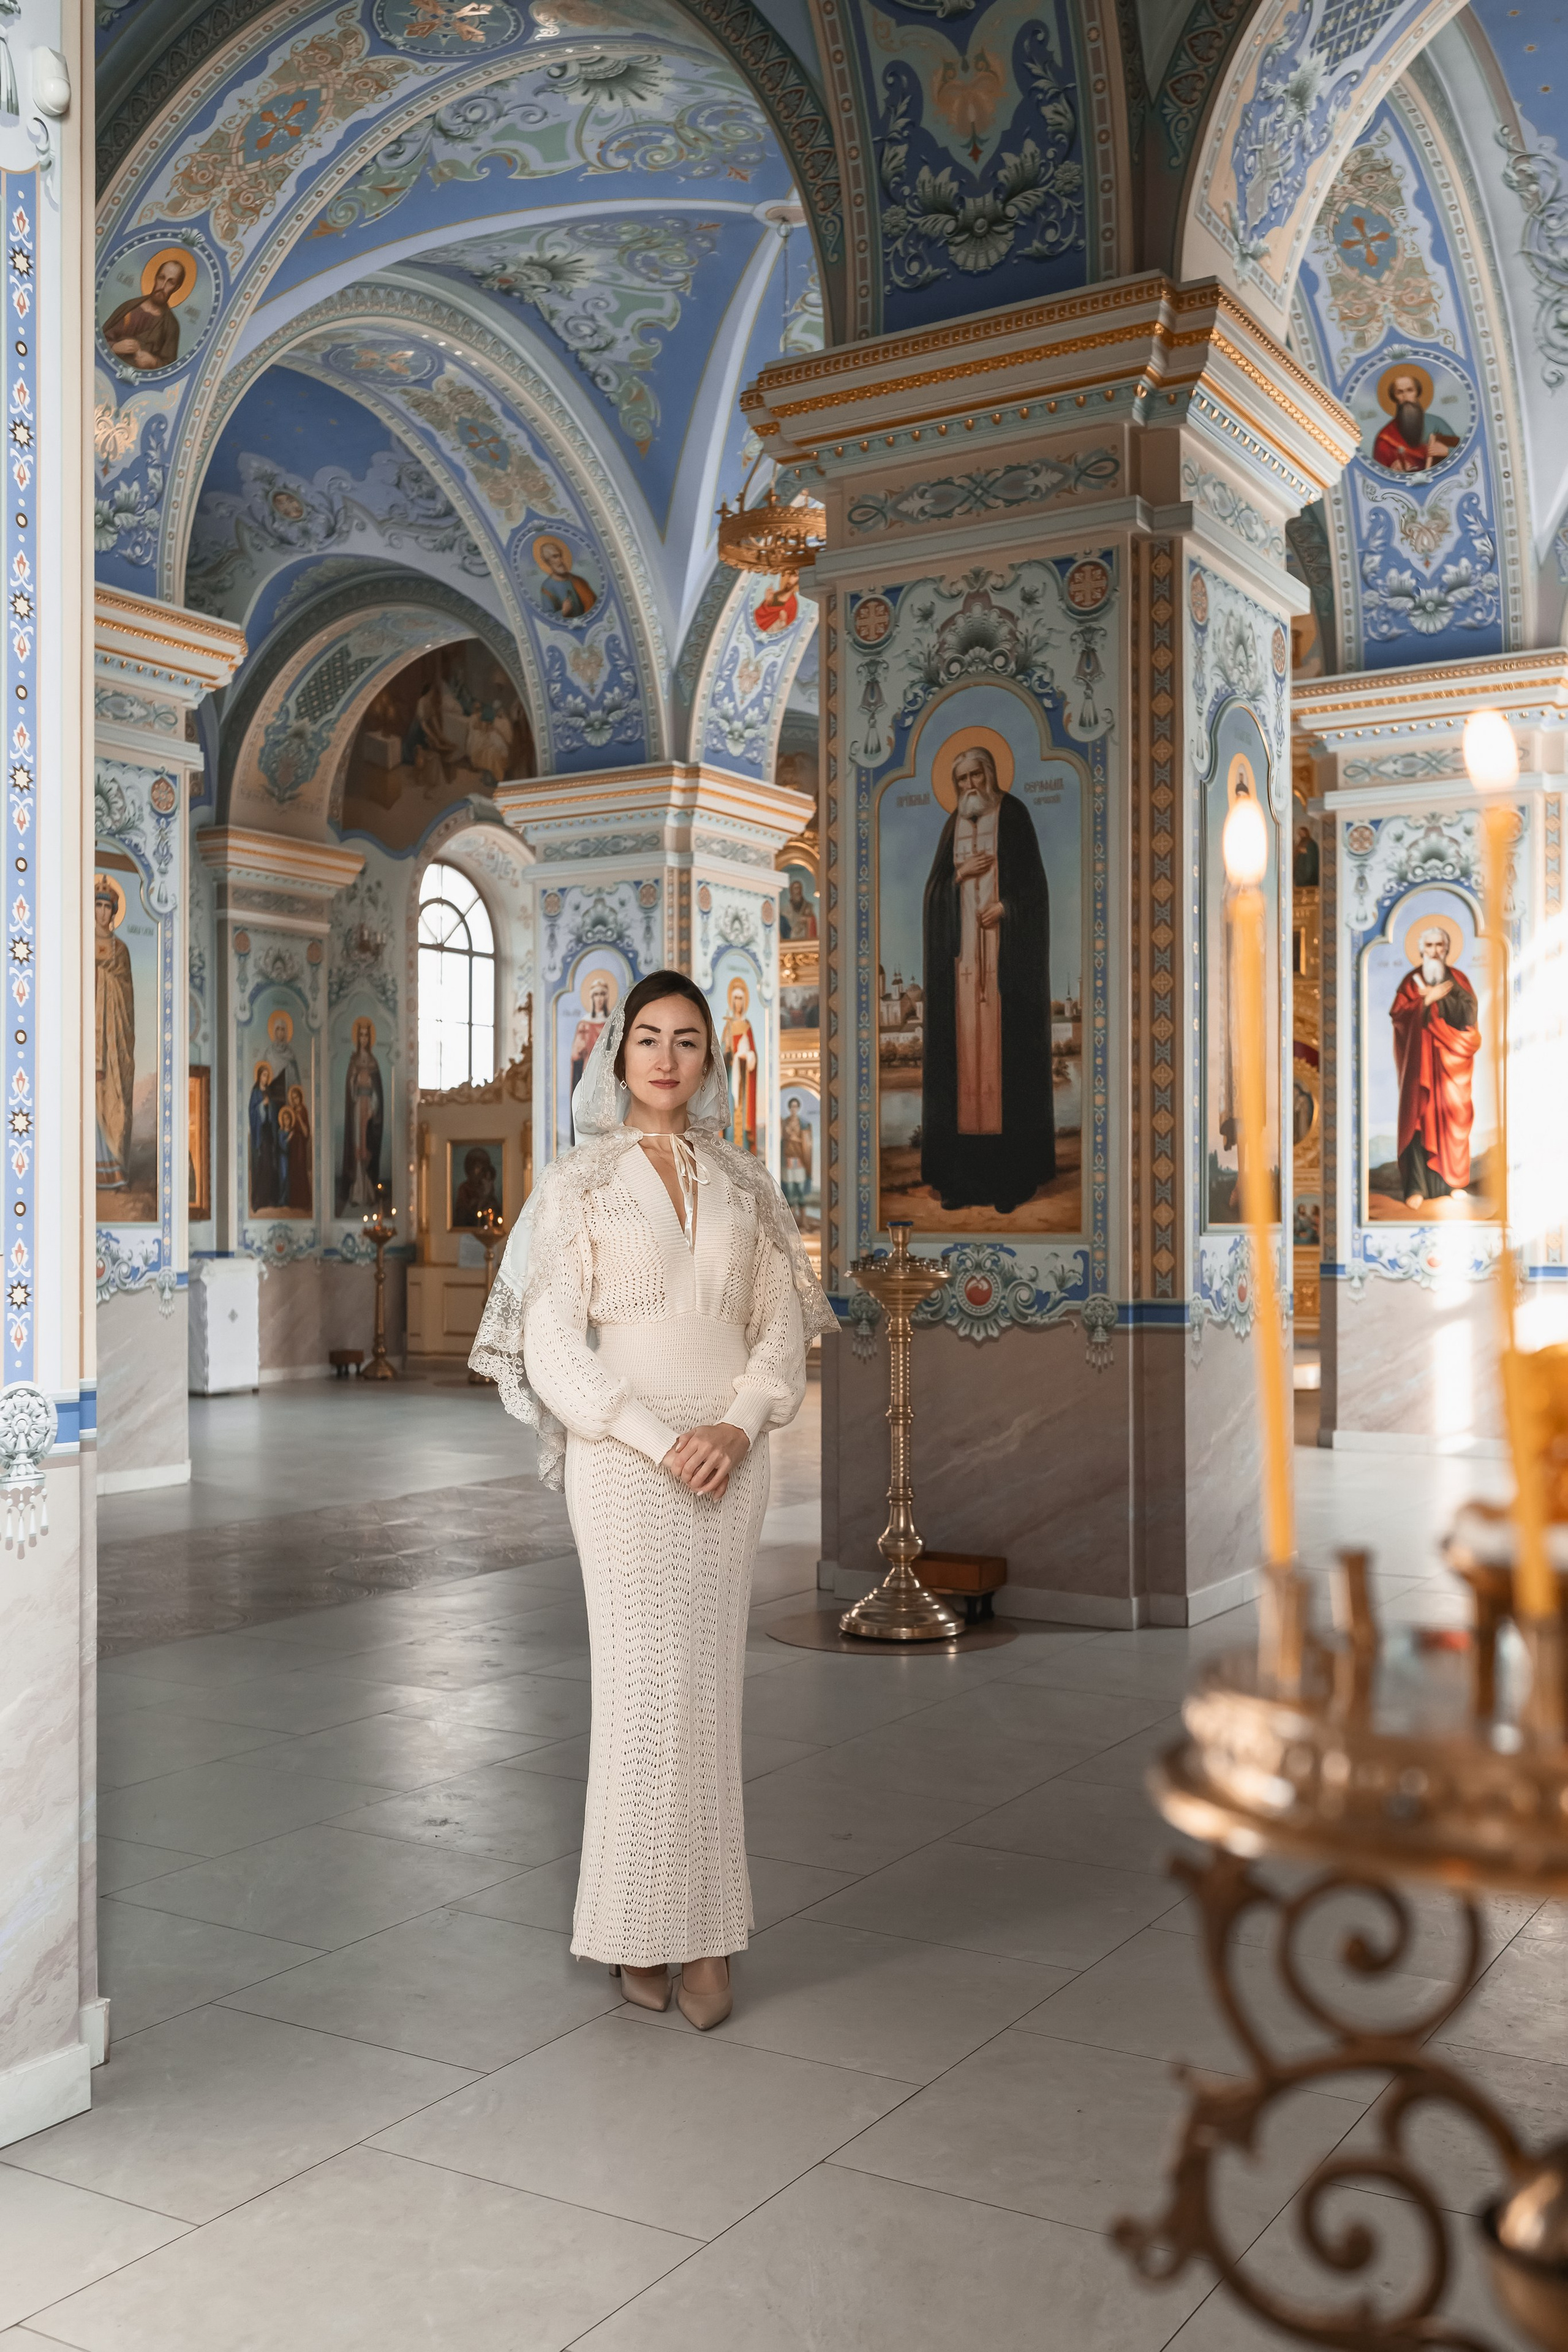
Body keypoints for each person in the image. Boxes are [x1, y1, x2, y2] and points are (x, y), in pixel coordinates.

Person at [470, 972, 835, 2028]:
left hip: (730, 1456)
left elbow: (779, 1328)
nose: (665, 1058)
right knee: (639, 1696)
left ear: (709, 1061)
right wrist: (656, 1439)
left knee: (709, 1699)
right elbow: (550, 1346)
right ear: (616, 1056)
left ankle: (710, 1937)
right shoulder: (579, 1182)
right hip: (625, 1463)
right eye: (646, 1038)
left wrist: (739, 1420)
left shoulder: (742, 1185)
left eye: (686, 1040)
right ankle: (635, 1931)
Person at [920, 744, 1054, 1212]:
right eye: (961, 780)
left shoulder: (1012, 816)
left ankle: (1010, 1181)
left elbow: (1036, 889)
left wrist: (1008, 908)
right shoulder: (951, 825)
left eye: (976, 775)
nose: (970, 786)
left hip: (1004, 970)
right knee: (963, 1076)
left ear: (992, 774)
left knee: (1005, 1069)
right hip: (961, 972)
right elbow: (934, 892)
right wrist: (957, 875)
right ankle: (960, 1182)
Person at [1390, 922, 1480, 1207]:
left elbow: (1468, 1015)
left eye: (1440, 945)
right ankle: (1415, 1188)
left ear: (1447, 949)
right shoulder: (1410, 982)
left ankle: (1452, 1185)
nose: (1435, 951)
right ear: (1420, 950)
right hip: (1420, 1064)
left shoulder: (1459, 980)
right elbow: (1399, 1017)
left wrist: (1444, 1000)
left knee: (1450, 1118)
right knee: (1420, 1118)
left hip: (1450, 1064)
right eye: (1429, 946)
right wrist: (1425, 1001)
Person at [94, 876, 135, 1193]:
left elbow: (125, 992)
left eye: (108, 907)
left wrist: (106, 980)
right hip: (88, 1037)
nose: (103, 912)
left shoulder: (121, 950)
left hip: (112, 1039)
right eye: (99, 905)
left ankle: (113, 1169)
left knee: (112, 1094)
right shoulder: (80, 942)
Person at [102, 255, 187, 370]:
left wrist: (154, 363)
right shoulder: (129, 307)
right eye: (161, 278)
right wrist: (114, 347)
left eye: (170, 282)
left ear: (176, 288)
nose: (163, 286)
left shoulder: (171, 326)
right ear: (155, 278)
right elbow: (99, 339)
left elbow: (169, 368)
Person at [337, 1017, 384, 1213]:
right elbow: (350, 1090)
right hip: (357, 1109)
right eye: (361, 1035)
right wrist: (355, 1079)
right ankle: (357, 1192)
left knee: (367, 1147)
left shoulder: (373, 1062)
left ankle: (368, 1191)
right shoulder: (353, 1061)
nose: (364, 1039)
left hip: (368, 1110)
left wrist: (373, 1108)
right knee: (358, 1147)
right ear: (357, 1038)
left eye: (367, 1035)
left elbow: (377, 1092)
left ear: (369, 1038)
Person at [1373, 371, 1459, 473]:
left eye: (1410, 390)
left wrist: (1447, 451)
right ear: (1394, 397)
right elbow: (1378, 471)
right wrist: (1392, 469)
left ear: (1417, 393)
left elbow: (1462, 450)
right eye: (1400, 392)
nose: (1405, 396)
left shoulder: (1437, 423)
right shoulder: (1386, 436)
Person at [720, 978, 758, 1155]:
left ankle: (744, 1152)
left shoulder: (747, 1026)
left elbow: (753, 1055)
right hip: (730, 1079)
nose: (738, 1003)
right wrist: (728, 1054)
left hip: (745, 1080)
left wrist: (748, 1056)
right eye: (735, 999)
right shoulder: (728, 1026)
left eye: (741, 999)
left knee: (742, 1115)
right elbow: (719, 1056)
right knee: (732, 1114)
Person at [535, 535, 597, 622]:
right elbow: (547, 618)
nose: (561, 560)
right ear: (547, 561)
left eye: (560, 556)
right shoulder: (548, 587)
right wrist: (563, 612)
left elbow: (594, 604)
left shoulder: (578, 580)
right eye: (555, 557)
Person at [780, 1096, 812, 1225]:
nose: (794, 1109)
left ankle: (803, 1220)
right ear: (789, 1108)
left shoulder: (803, 1123)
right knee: (789, 1189)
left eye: (796, 1106)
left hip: (799, 1159)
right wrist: (792, 1137)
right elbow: (785, 1138)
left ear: (798, 1108)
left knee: (800, 1189)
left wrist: (794, 1138)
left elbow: (806, 1141)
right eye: (792, 1106)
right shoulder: (785, 1122)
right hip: (788, 1158)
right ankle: (792, 1222)